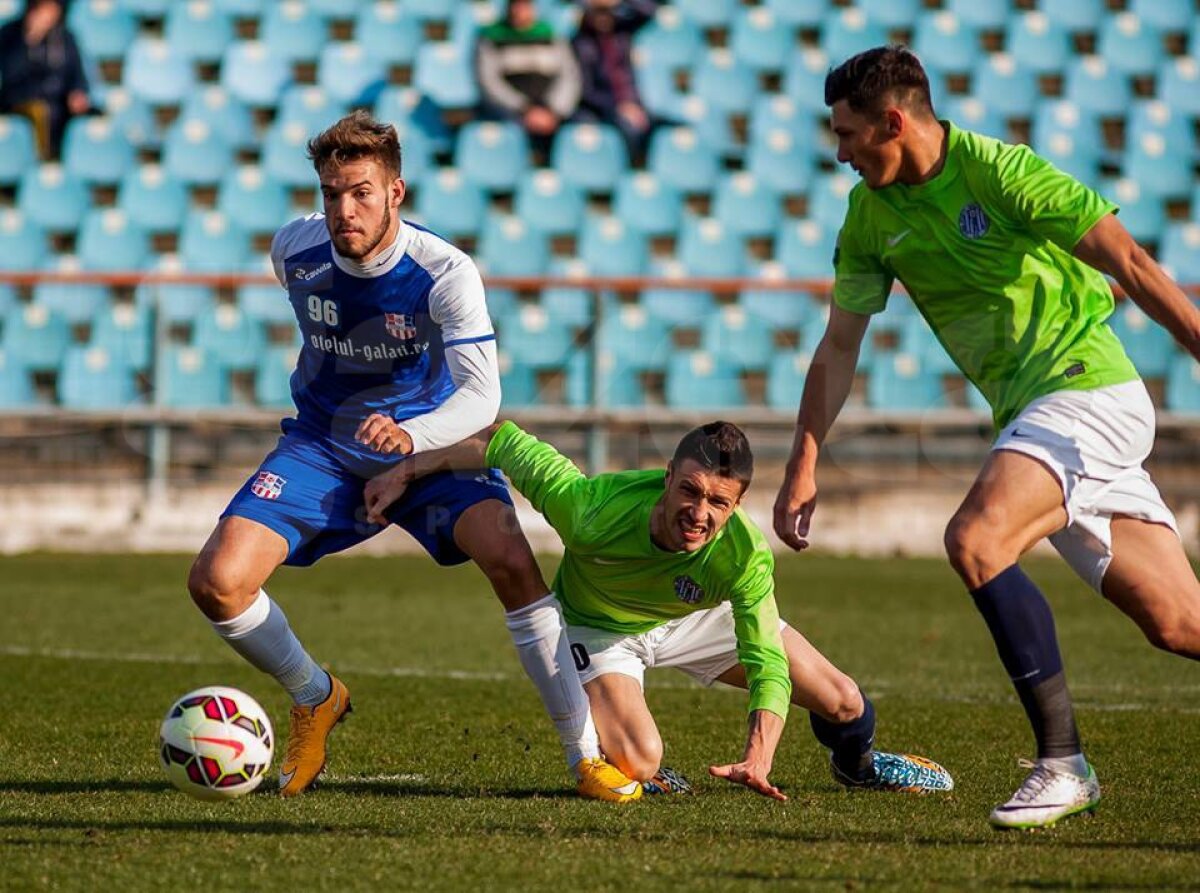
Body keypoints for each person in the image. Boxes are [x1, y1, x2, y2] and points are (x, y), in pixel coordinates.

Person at [772, 46, 1200, 829]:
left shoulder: (1001, 171)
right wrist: (803, 460)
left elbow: (1132, 261)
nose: (838, 151)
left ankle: (1063, 762)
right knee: (1179, 624)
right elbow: (839, 345)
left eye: (847, 132)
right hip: (1036, 415)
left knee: (975, 538)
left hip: (1087, 388)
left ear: (893, 121)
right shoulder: (869, 214)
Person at [186, 110, 639, 804]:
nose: (345, 209)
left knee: (513, 560)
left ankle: (583, 756)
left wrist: (414, 441)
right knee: (217, 581)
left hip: (430, 448)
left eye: (362, 191)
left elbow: (482, 400)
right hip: (324, 446)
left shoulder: (445, 273)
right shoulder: (294, 250)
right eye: (332, 192)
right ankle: (315, 695)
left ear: (396, 192)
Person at [364, 420, 955, 799]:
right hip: (602, 630)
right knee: (641, 760)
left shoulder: (744, 557)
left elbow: (765, 660)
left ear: (738, 503)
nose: (700, 512)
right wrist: (408, 468)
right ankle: (643, 763)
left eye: (718, 502)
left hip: (695, 622)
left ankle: (858, 766)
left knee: (845, 700)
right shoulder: (590, 507)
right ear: (668, 478)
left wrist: (759, 755)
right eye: (689, 491)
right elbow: (503, 441)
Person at [475, 0, 581, 152]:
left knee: (579, 130)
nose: (519, 11)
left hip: (552, 111)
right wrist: (524, 109)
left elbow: (569, 77)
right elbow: (489, 82)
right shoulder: (492, 38)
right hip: (512, 112)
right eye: (515, 5)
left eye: (525, 5)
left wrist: (555, 110)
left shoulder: (551, 36)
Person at [571, 0, 659, 165]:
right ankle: (633, 170)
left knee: (666, 127)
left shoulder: (622, 34)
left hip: (634, 104)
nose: (603, 18)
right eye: (598, 12)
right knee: (629, 129)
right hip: (602, 108)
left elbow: (649, 10)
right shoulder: (580, 43)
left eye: (607, 12)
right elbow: (586, 90)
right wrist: (619, 108)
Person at [0, 0, 89, 160]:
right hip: (22, 100)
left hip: (59, 101)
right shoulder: (10, 34)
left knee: (90, 116)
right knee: (40, 111)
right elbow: (10, 74)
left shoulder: (65, 37)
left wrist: (78, 91)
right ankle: (42, 159)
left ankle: (73, 163)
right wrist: (31, 40)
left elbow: (76, 72)